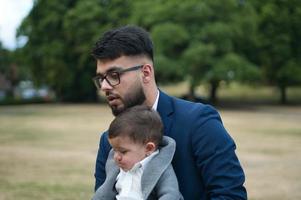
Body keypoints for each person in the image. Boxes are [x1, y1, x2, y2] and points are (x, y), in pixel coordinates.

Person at [91, 25, 247, 199]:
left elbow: (230, 194)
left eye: (114, 74)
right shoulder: (108, 141)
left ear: (146, 73)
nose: (104, 86)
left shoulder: (198, 122)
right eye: (101, 78)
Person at [92, 105, 183, 200]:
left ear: (148, 148)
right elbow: (105, 191)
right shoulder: (117, 167)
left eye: (123, 151)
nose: (116, 157)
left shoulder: (160, 167)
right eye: (114, 150)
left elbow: (170, 194)